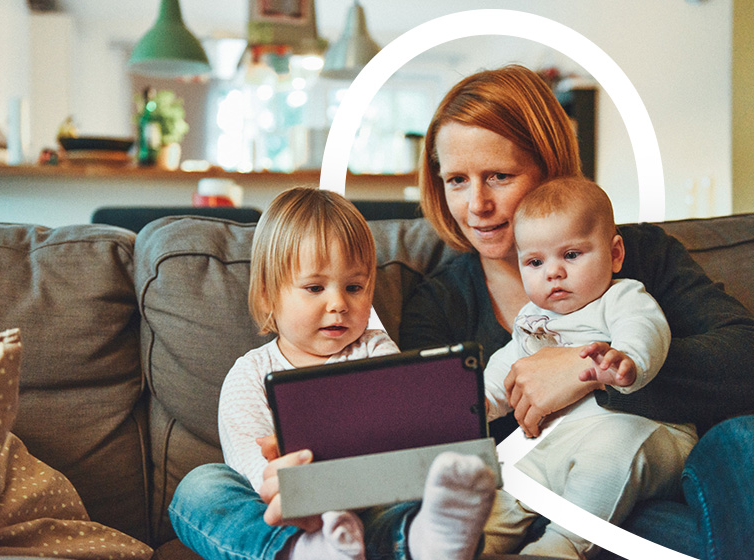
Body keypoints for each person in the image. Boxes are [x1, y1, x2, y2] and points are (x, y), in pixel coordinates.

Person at [400, 64, 754, 556]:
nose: (477, 204)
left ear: (549, 168)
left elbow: (744, 358)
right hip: (543, 505)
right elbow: (435, 437)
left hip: (663, 481)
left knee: (744, 439)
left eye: (499, 176)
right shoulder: (439, 304)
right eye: (457, 180)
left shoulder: (638, 255)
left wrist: (587, 369)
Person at [169, 186, 496, 560]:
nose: (339, 303)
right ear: (266, 296)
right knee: (200, 487)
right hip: (290, 513)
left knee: (422, 497)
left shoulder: (374, 350)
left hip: (371, 503)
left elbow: (403, 431)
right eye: (315, 287)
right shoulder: (249, 374)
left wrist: (448, 410)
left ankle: (426, 541)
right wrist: (302, 493)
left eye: (354, 287)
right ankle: (304, 551)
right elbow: (251, 469)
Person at [480, 176, 697, 558]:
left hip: (643, 432)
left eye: (572, 255)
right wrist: (480, 401)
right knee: (504, 472)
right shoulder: (533, 317)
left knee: (607, 454)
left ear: (614, 254)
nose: (553, 272)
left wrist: (627, 360)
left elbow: (644, 327)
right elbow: (509, 363)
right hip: (557, 440)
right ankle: (477, 543)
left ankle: (560, 546)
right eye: (535, 261)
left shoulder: (620, 296)